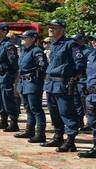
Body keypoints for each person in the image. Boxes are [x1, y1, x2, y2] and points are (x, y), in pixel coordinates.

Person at [40, 19, 86, 152]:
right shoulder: (53, 44)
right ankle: (58, 136)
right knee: (54, 112)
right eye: (49, 27)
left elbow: (80, 63)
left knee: (66, 112)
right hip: (50, 84)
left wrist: (73, 78)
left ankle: (70, 141)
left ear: (62, 29)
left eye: (53, 27)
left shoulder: (70, 44)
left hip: (62, 84)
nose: (50, 29)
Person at [14, 30, 48, 143]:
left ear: (33, 39)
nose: (22, 39)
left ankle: (40, 133)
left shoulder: (37, 51)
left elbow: (43, 66)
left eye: (25, 37)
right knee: (28, 108)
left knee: (36, 109)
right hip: (23, 83)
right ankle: (29, 130)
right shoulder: (24, 51)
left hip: (33, 83)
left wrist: (37, 77)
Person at [0, 23, 20, 132]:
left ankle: (13, 122)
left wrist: (10, 74)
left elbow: (14, 63)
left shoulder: (8, 45)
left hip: (6, 76)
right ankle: (3, 120)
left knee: (8, 99)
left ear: (4, 31)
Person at [78, 34, 96, 158]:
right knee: (92, 123)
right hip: (91, 94)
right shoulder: (91, 55)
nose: (94, 42)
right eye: (93, 40)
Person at [72, 33, 93, 132]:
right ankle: (79, 122)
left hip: (84, 80)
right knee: (76, 102)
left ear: (82, 40)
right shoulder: (73, 49)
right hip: (76, 80)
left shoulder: (88, 51)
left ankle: (90, 123)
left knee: (86, 103)